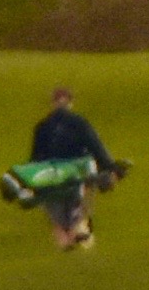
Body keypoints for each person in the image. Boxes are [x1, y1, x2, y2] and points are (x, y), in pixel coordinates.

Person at [26, 84, 119, 250]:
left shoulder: (43, 126)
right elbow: (95, 146)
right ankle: (79, 236)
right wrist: (110, 168)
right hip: (74, 173)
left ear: (53, 102)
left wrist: (31, 181)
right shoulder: (78, 123)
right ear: (70, 102)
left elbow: (35, 158)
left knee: (57, 216)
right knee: (75, 208)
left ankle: (65, 242)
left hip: (50, 175)